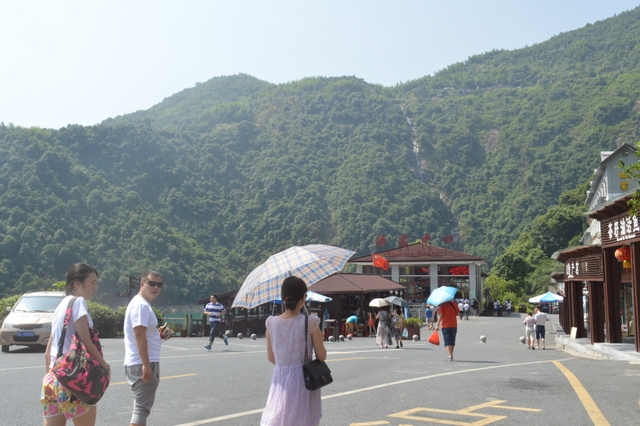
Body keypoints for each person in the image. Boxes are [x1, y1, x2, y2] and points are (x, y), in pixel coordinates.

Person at [42, 263, 110, 426]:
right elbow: (85, 339)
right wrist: (105, 366)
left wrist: (53, 376)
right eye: (92, 283)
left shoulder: (60, 307)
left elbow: (47, 352)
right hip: (72, 380)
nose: (95, 288)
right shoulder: (78, 301)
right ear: (77, 283)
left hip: (52, 380)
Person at [260, 276, 326, 426]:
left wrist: (287, 365)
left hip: (280, 378)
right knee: (302, 419)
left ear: (283, 298)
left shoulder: (271, 323)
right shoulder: (310, 322)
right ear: (303, 297)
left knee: (280, 416)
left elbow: (271, 357)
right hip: (304, 380)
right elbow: (321, 356)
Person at [124, 270, 166, 426]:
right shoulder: (141, 305)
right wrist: (146, 365)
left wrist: (158, 335)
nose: (156, 287)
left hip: (138, 362)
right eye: (152, 283)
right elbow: (139, 335)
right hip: (141, 362)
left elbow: (143, 333)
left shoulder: (142, 304)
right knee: (141, 410)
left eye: (159, 285)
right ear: (142, 284)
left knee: (140, 408)